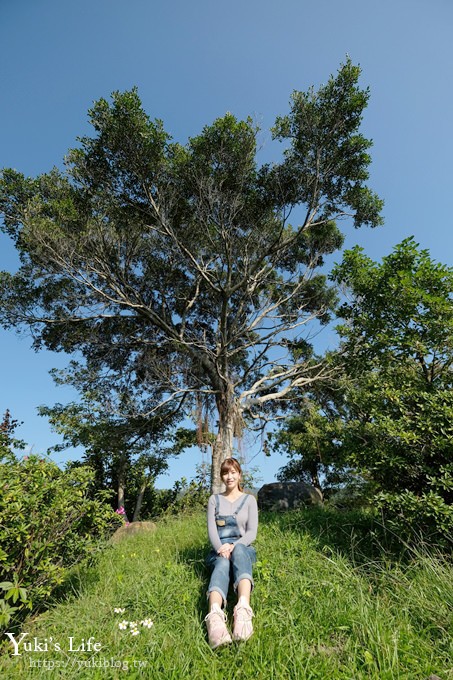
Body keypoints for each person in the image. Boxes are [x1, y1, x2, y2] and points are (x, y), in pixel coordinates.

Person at [204, 457, 258, 649]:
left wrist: (234, 546)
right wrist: (221, 548)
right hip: (219, 550)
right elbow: (212, 531)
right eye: (226, 473)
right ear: (221, 476)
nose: (230, 476)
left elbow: (252, 532)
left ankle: (243, 608)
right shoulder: (214, 500)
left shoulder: (250, 500)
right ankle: (215, 616)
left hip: (243, 547)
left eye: (233, 472)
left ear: (239, 475)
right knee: (222, 563)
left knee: (241, 550)